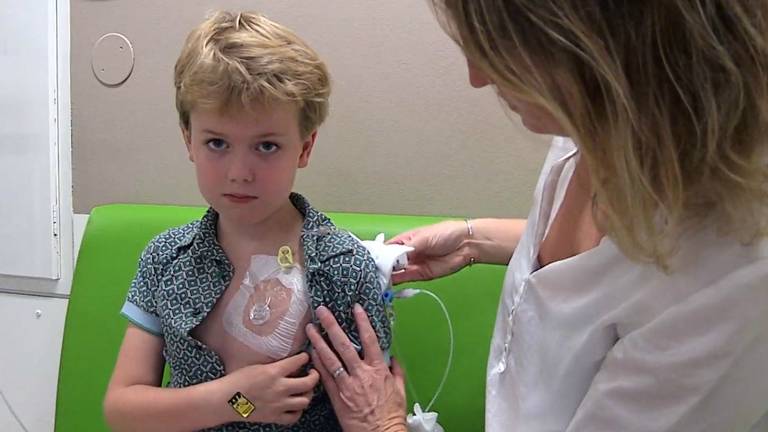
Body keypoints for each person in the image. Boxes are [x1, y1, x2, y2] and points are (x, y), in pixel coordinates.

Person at [307, 1, 768, 431]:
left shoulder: (730, 277)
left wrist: (383, 424)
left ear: (603, 48)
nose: (477, 77)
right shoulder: (601, 119)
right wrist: (473, 242)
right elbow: (602, 272)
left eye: (501, 47)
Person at [103, 11, 391, 431]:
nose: (239, 171)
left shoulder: (344, 271)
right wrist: (237, 400)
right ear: (189, 140)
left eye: (267, 146)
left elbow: (373, 417)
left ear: (305, 148)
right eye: (217, 143)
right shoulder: (167, 260)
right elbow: (122, 411)